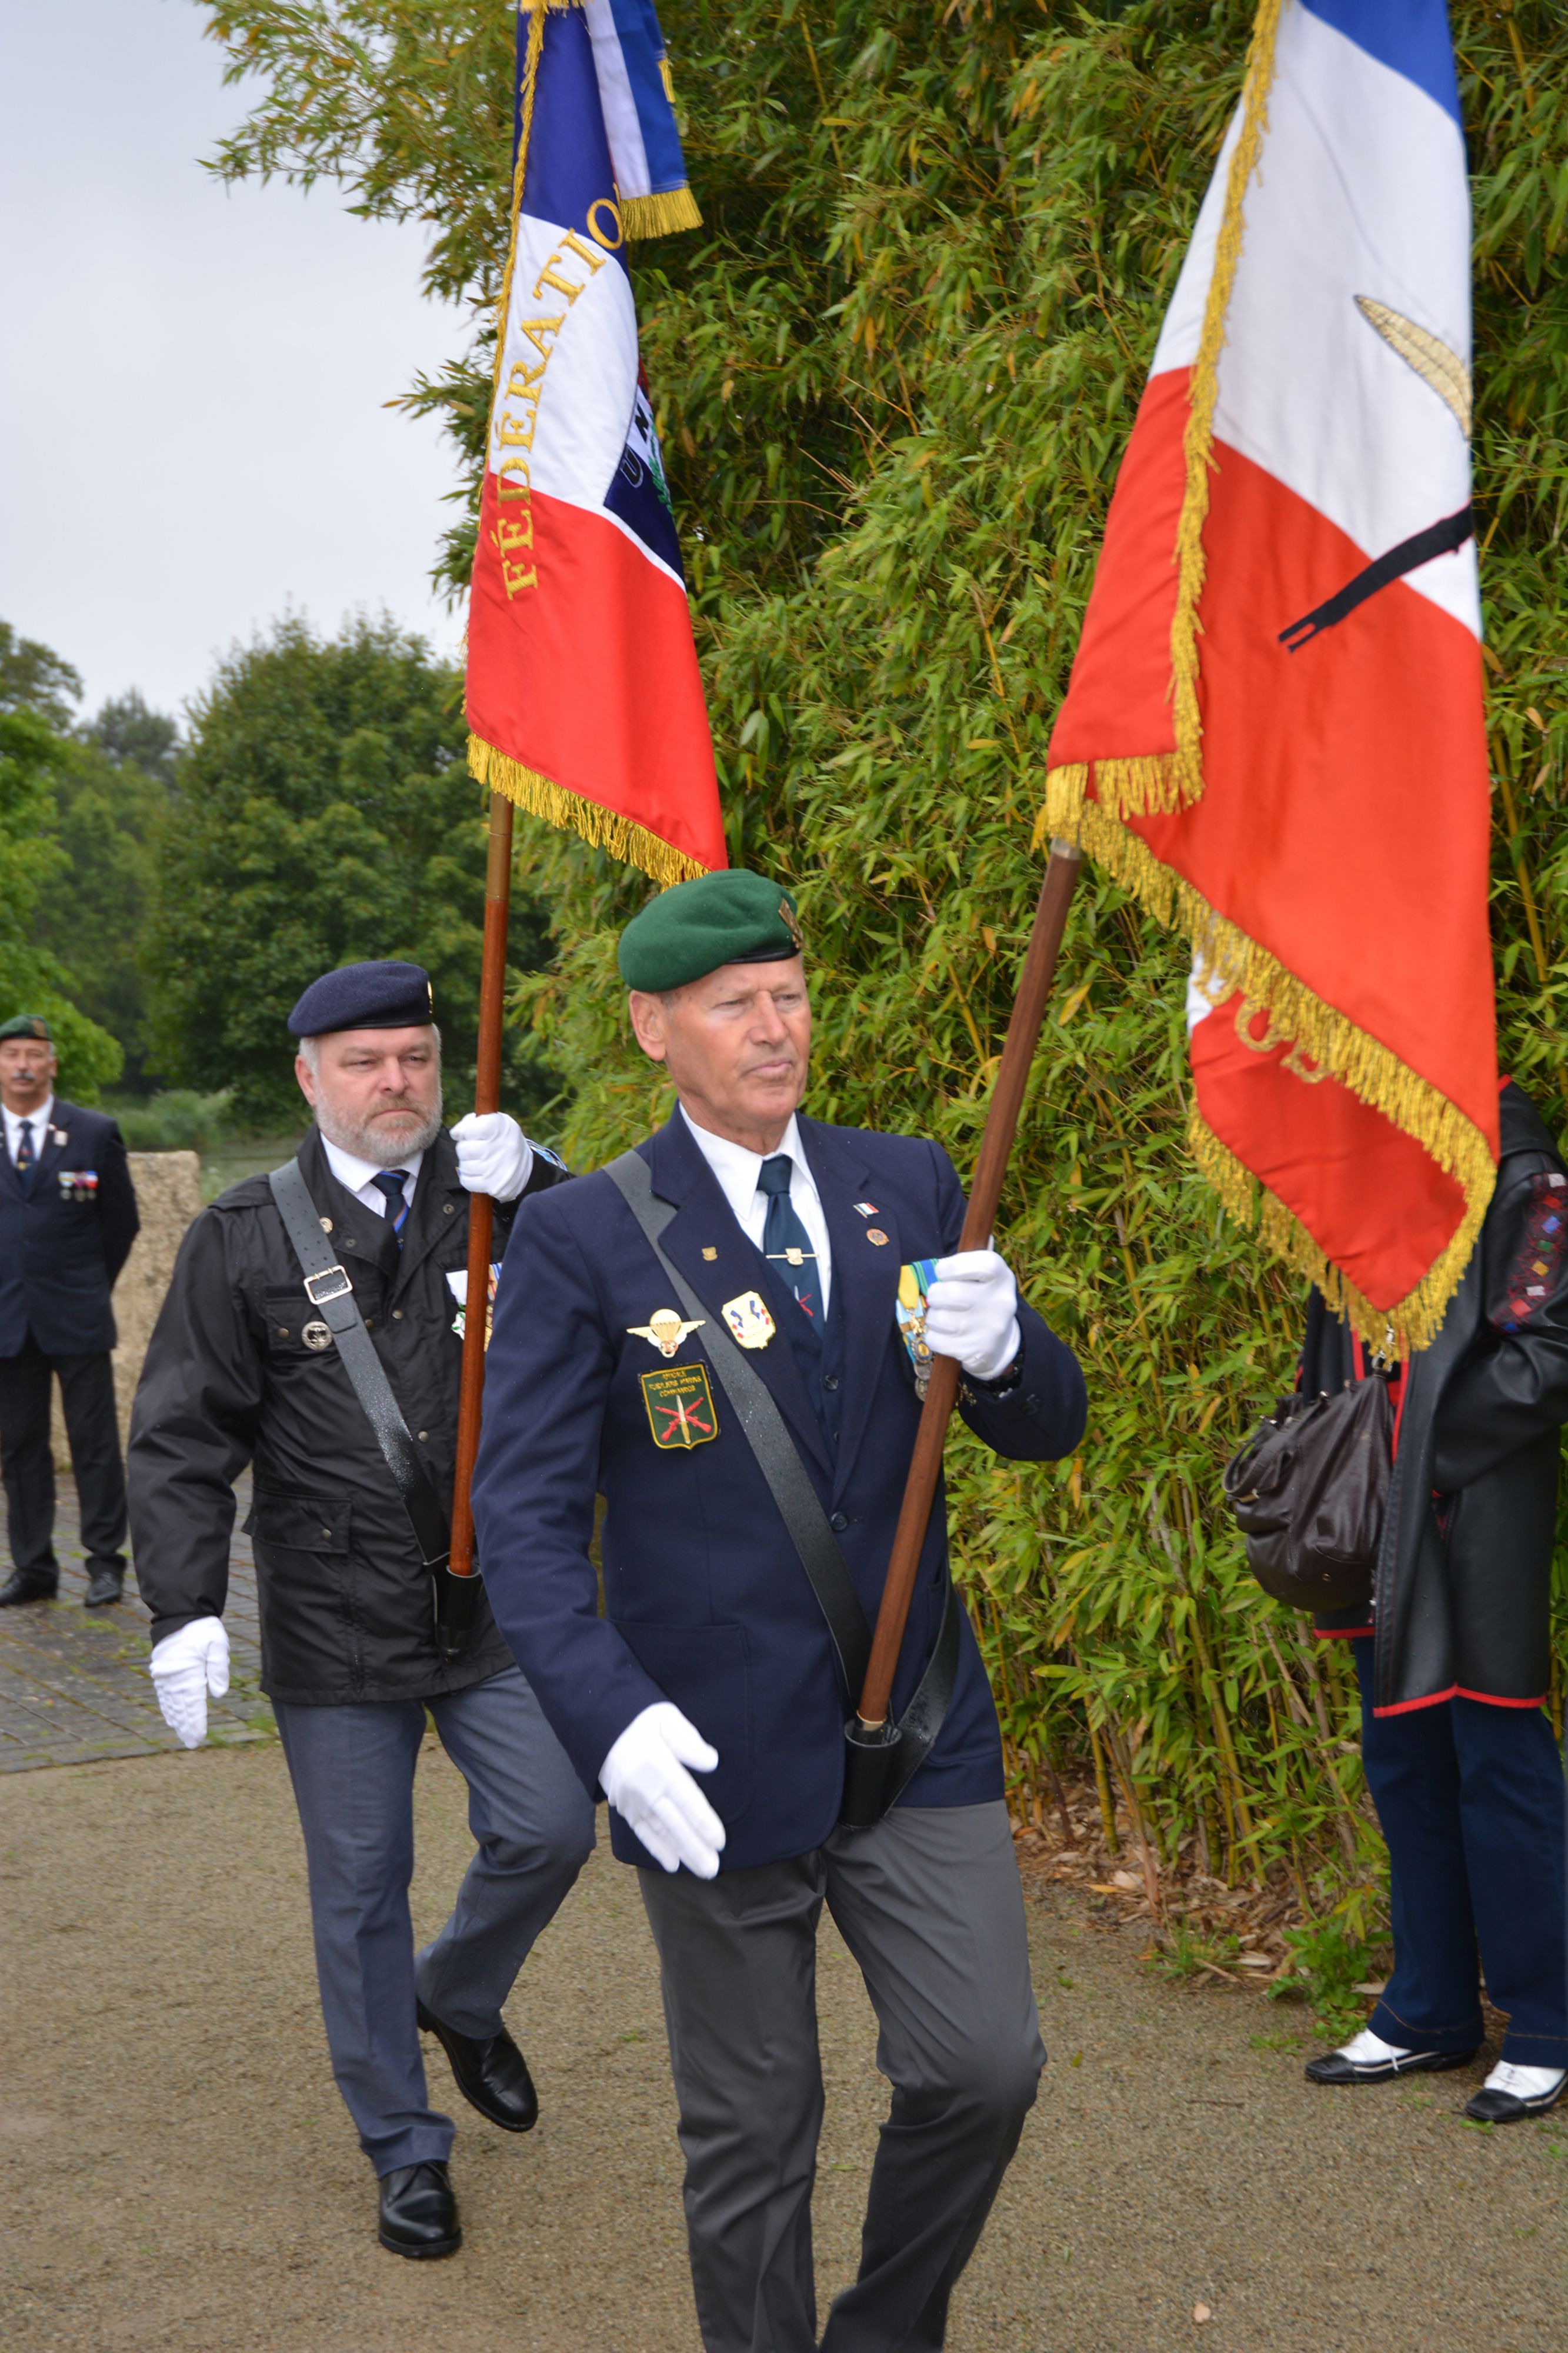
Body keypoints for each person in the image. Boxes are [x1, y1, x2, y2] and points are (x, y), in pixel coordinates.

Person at [471, 870, 1086, 2353]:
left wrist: (1008, 1348)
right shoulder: (585, 1235)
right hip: (708, 1746)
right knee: (754, 2128)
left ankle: (880, 2331)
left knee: (982, 2066)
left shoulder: (907, 1181)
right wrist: (610, 1723)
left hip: (915, 1721)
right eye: (734, 1002)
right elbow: (524, 1523)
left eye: (790, 995)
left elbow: (1041, 1426)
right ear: (652, 1028)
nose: (775, 1027)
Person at [128, 961, 596, 2259]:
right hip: (335, 1614)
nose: (397, 1082)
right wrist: (182, 1604)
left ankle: (460, 1991)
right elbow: (180, 1437)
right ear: (308, 1076)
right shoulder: (243, 1234)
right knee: (360, 1886)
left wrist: (546, 1183)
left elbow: (640, 1281)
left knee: (552, 1827)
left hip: (492, 1601)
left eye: (416, 1057)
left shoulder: (498, 1195)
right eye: (364, 1062)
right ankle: (404, 2144)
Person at [1303, 1076, 1568, 2124]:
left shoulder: (1520, 1170)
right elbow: (1331, 1344)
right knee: (1401, 1752)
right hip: (1370, 1512)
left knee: (1496, 1754)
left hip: (1475, 1509)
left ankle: (1544, 2022)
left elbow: (1547, 1353)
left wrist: (1421, 1457)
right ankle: (1429, 2007)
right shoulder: (1349, 1153)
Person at [0, 1012, 139, 1609]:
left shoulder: (92, 1131)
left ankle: (105, 1563)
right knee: (19, 1448)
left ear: (52, 1064)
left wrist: (88, 1284)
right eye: (12, 1055)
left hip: (77, 1313)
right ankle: (33, 1567)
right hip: (8, 1318)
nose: (23, 1065)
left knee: (95, 1444)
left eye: (34, 1054)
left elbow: (121, 1222)